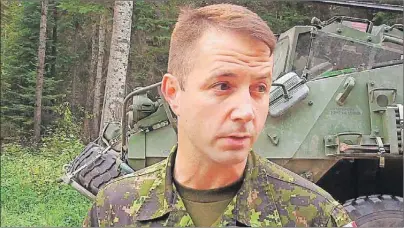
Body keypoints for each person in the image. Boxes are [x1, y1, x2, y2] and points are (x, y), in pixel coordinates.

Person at [83, 3, 355, 227]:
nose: (246, 112)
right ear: (174, 93)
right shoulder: (115, 209)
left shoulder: (315, 216)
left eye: (260, 88)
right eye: (223, 86)